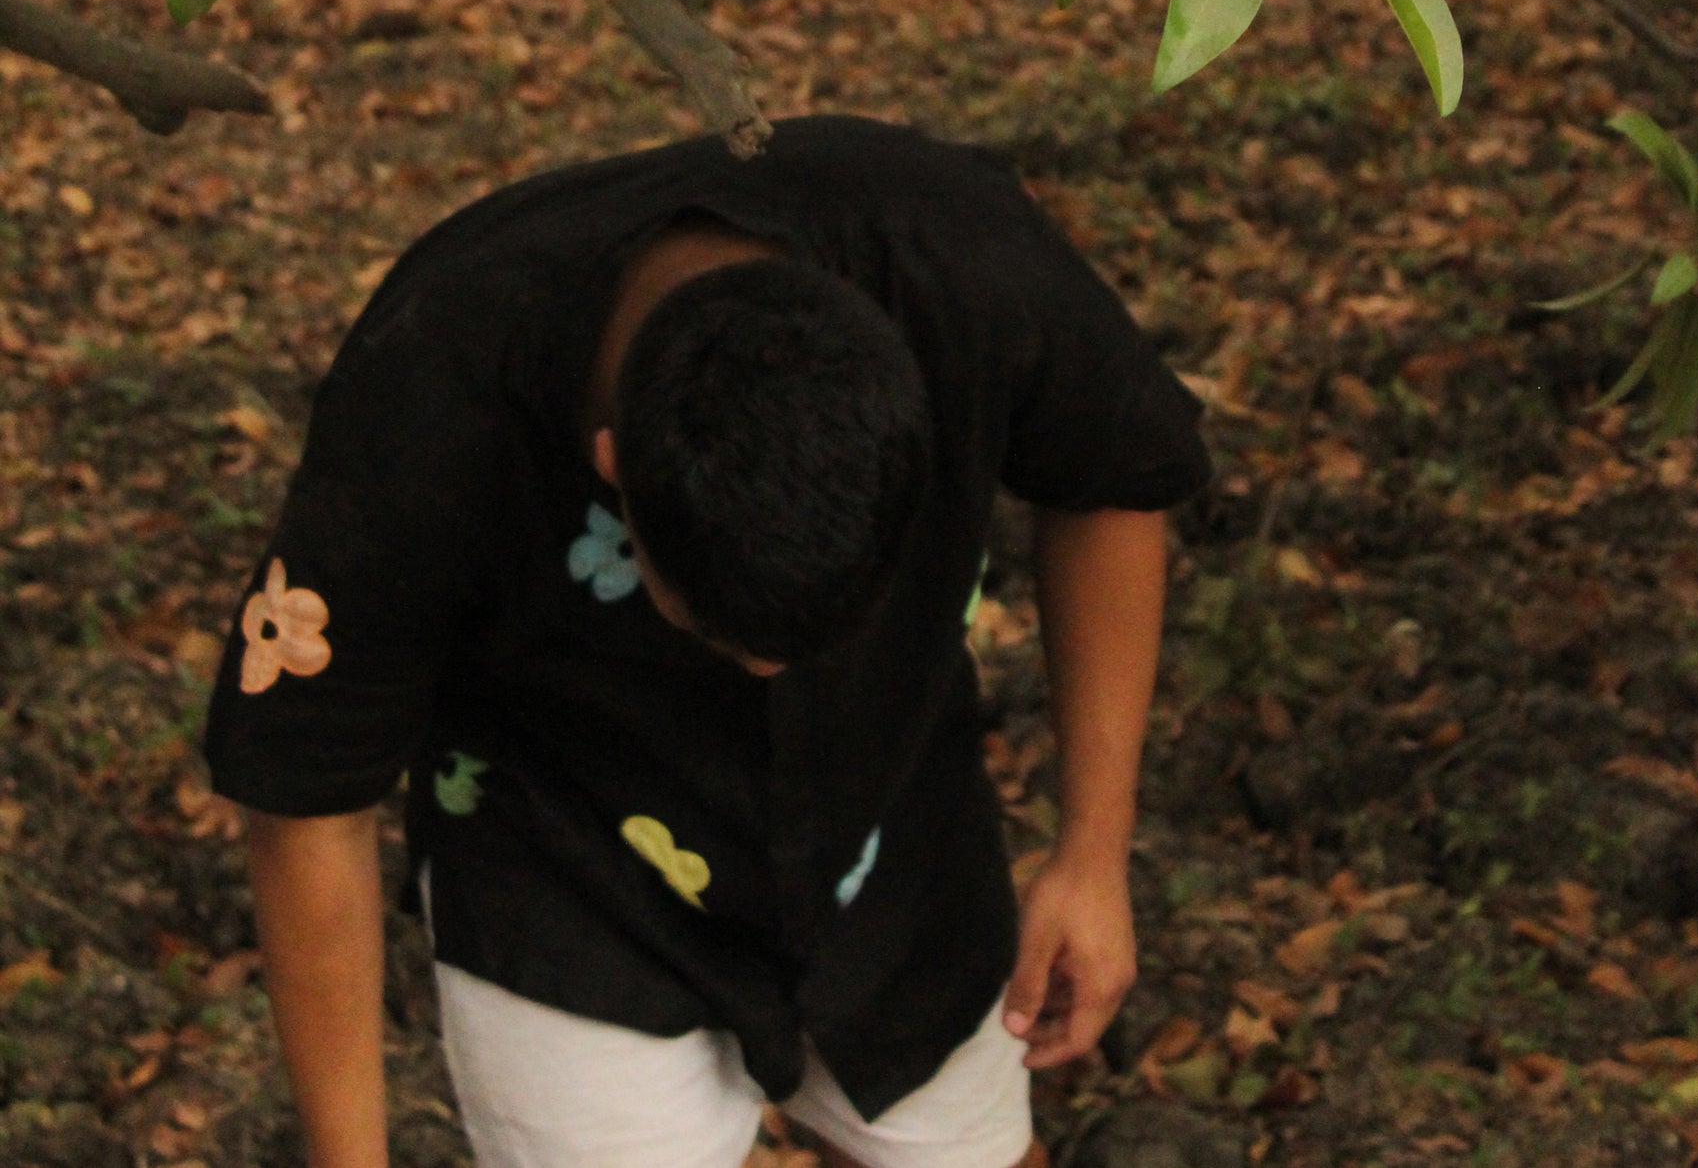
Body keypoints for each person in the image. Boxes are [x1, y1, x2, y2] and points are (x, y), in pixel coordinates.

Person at [204, 114, 1210, 1168]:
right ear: (611, 471)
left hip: (895, 827)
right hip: (565, 858)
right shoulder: (436, 379)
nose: (769, 674)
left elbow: (1114, 481)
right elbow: (305, 798)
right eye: (720, 634)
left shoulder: (959, 261)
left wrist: (1092, 854)